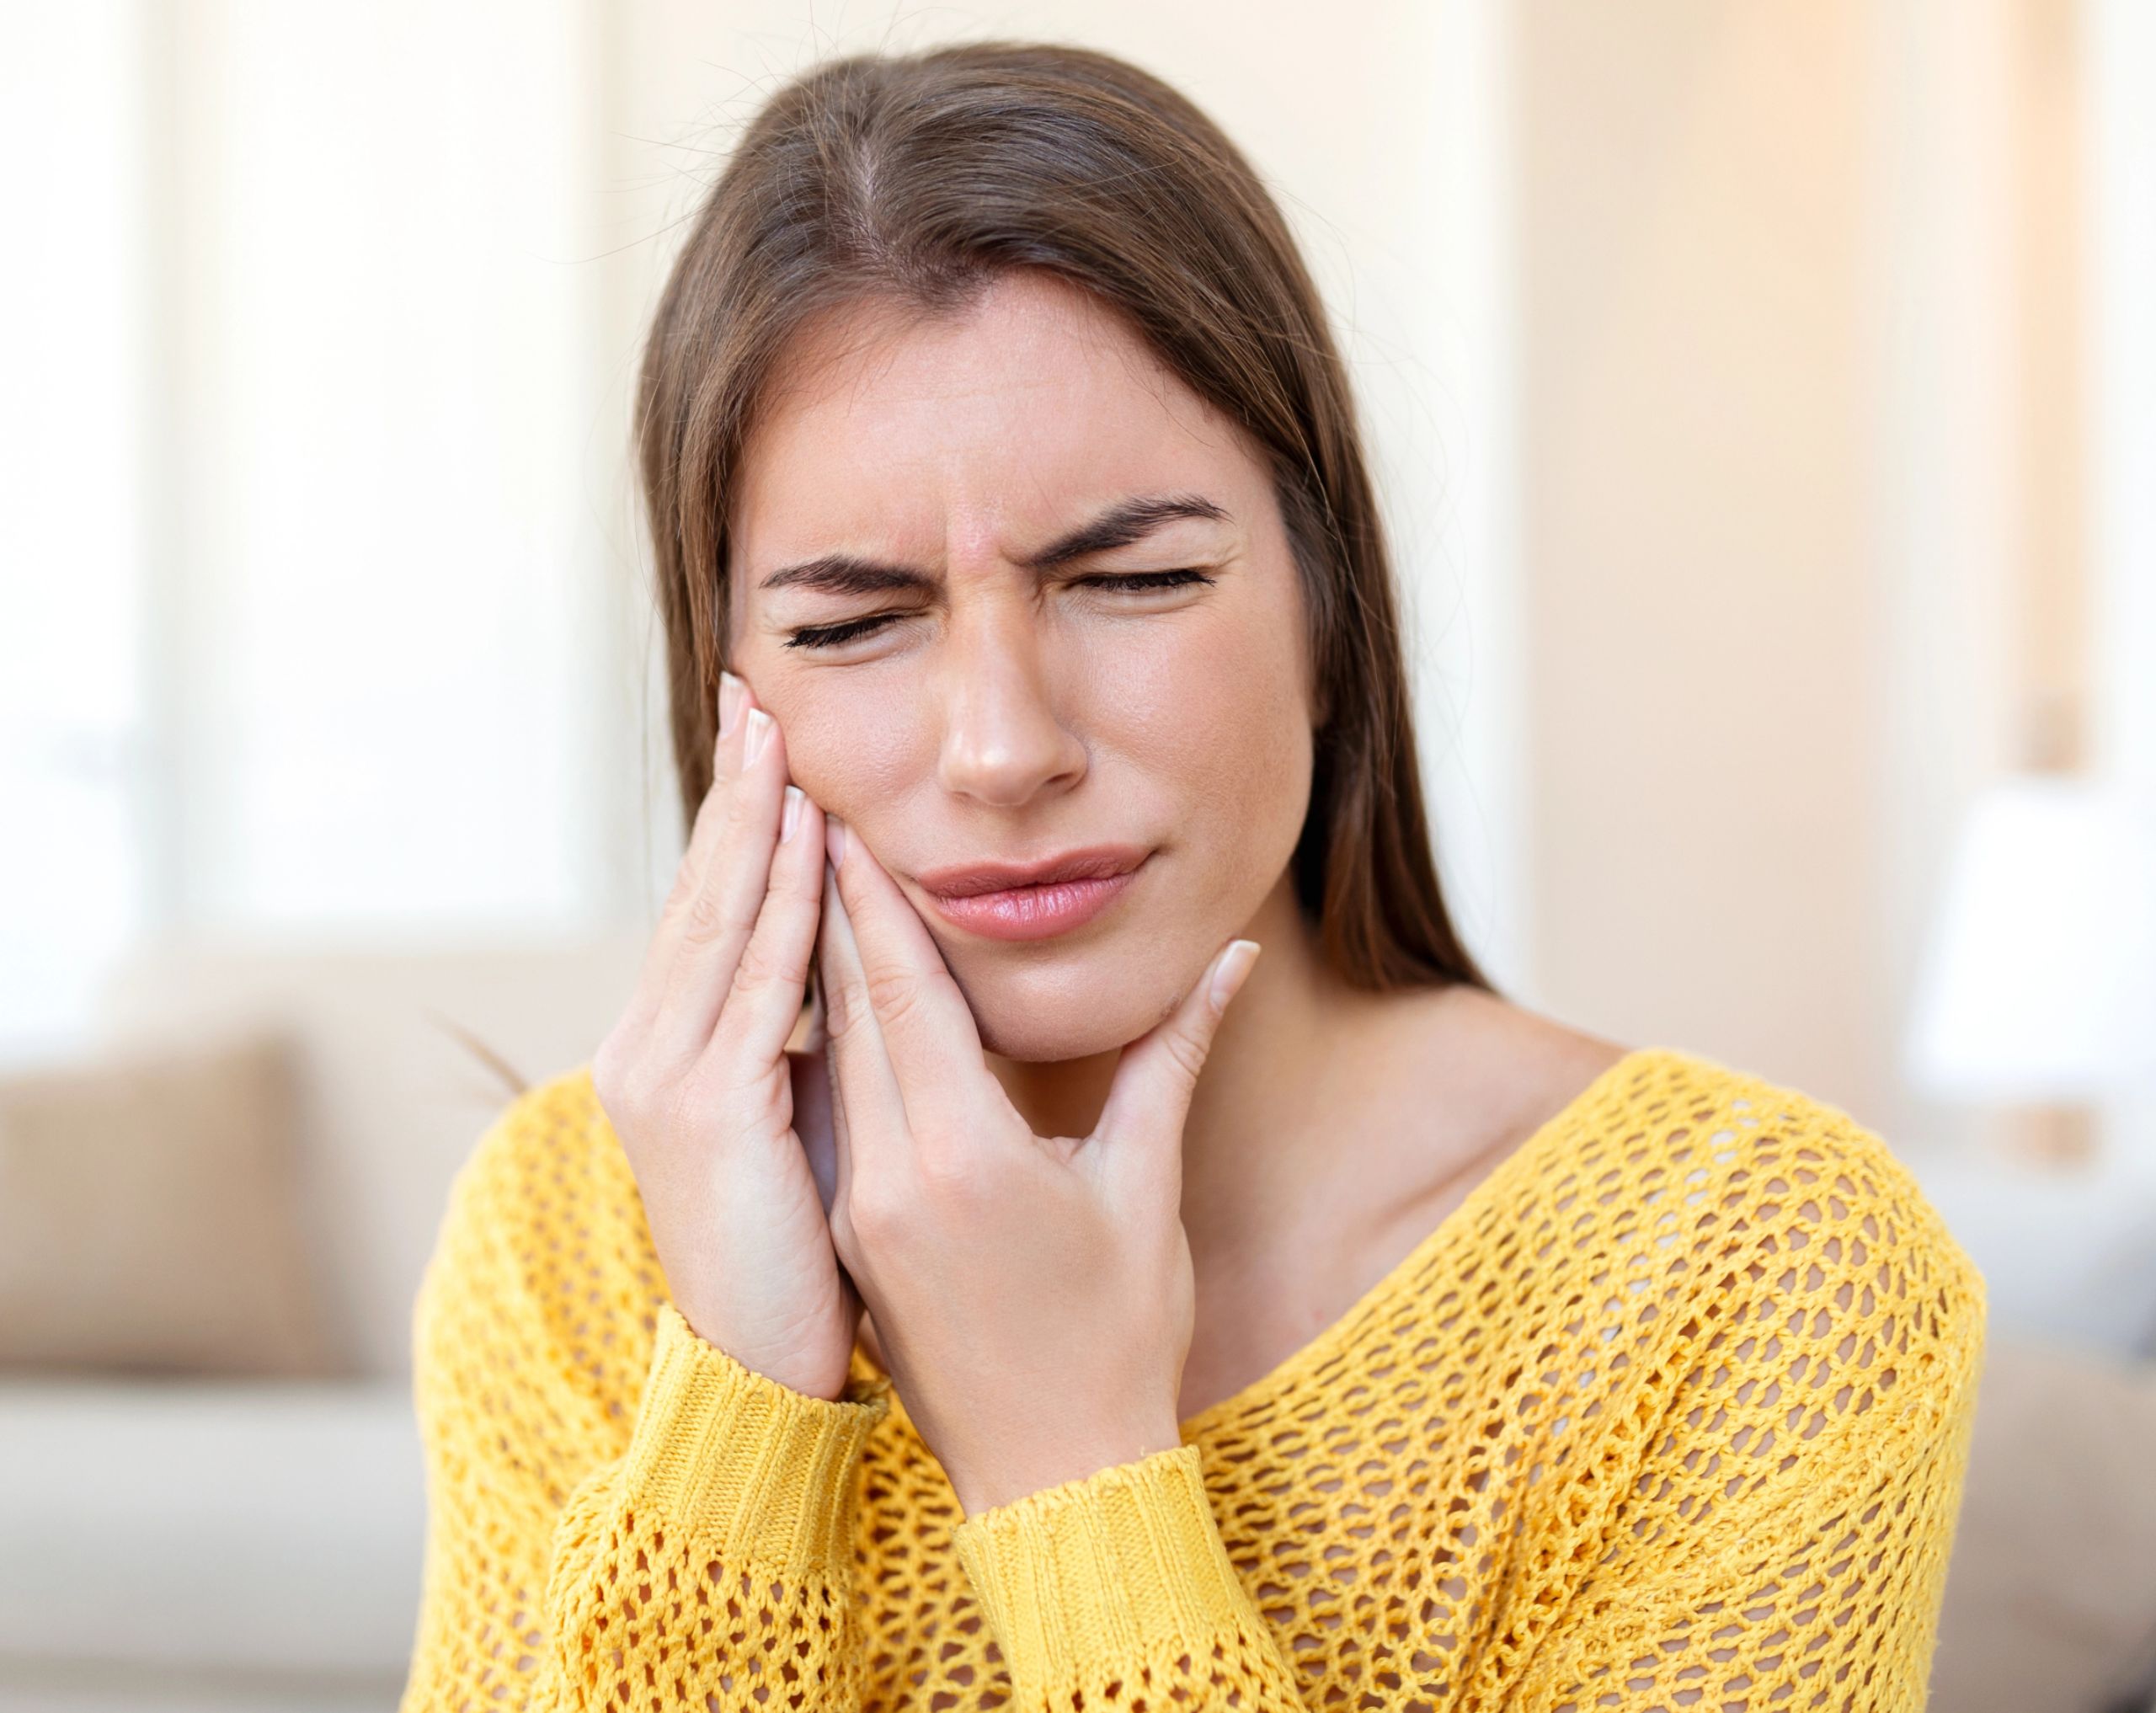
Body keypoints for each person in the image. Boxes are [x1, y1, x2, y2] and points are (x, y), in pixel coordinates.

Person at [396, 40, 1984, 1713]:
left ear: (1323, 615)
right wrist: (735, 1413)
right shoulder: (570, 1243)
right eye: (854, 622)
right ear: (727, 697)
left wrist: (1070, 1468)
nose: (1003, 747)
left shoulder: (1755, 1277)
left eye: (1133, 580)